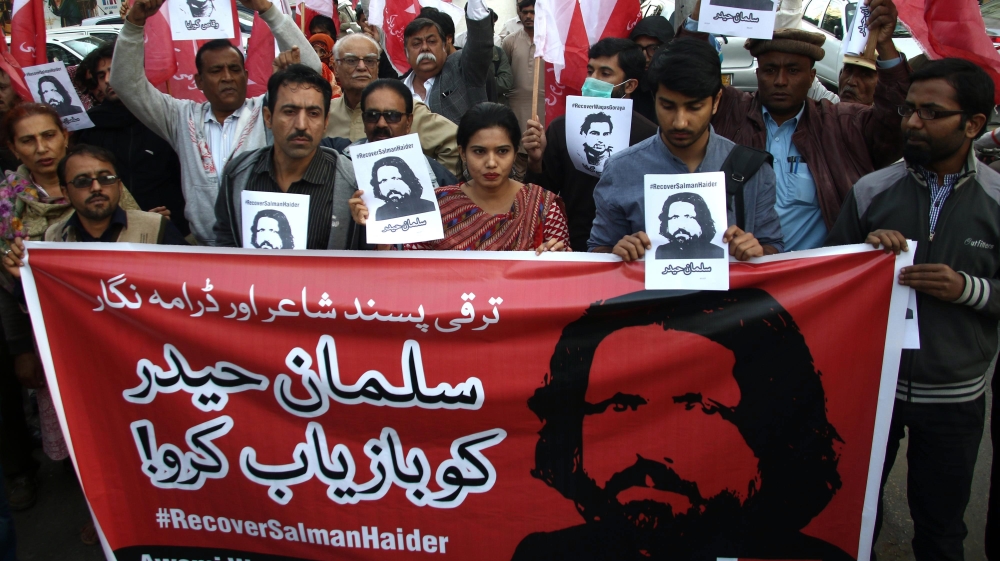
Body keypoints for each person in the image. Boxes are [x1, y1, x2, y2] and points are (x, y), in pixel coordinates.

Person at [513, 289, 852, 560]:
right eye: (620, 408)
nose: (646, 450)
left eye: (696, 409)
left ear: (774, 439)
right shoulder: (544, 555)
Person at [825, 58, 998, 561]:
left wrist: (965, 288)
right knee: (856, 515)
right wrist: (864, 259)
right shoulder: (871, 189)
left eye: (930, 112)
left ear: (973, 124)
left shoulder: (996, 199)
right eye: (908, 109)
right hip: (873, 391)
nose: (912, 123)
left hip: (955, 397)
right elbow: (830, 280)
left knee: (941, 528)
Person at [685, 0, 909, 252]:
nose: (781, 81)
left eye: (792, 70)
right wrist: (697, 20)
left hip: (816, 280)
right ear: (758, 75)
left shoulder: (842, 124)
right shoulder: (728, 111)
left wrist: (886, 47)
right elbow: (689, 78)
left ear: (812, 77)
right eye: (770, 70)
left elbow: (896, 122)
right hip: (738, 273)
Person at [111, 0, 323, 246]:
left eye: (235, 69)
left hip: (263, 244)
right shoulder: (180, 117)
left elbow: (312, 70)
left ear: (246, 75)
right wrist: (134, 24)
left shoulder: (267, 111)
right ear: (198, 81)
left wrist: (268, 10)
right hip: (204, 248)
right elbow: (127, 84)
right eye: (216, 71)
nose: (227, 78)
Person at [588, 39, 782, 261]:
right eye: (668, 106)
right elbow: (597, 249)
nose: (680, 122)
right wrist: (617, 252)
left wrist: (758, 252)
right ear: (654, 100)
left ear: (716, 101)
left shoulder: (754, 170)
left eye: (694, 107)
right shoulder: (620, 170)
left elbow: (773, 246)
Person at [350, 102, 570, 253]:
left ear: (515, 151)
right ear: (462, 153)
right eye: (479, 151)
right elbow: (408, 271)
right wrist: (380, 234)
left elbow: (562, 278)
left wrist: (562, 257)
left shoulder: (542, 206)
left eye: (502, 151)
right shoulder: (438, 205)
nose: (491, 162)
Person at [524, 38, 657, 252]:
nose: (593, 80)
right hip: (570, 247)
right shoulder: (561, 127)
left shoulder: (649, 136)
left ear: (630, 85)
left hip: (629, 251)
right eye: (590, 71)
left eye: (605, 74)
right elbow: (541, 196)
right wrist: (535, 160)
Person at [213, 65, 357, 250]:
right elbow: (226, 242)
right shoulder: (238, 174)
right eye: (289, 112)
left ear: (325, 122)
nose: (301, 125)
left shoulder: (350, 182)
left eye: (313, 114)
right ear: (268, 117)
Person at [74, 41, 191, 238]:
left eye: (115, 70)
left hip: (170, 229)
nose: (109, 80)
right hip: (114, 234)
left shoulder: (164, 117)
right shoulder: (91, 127)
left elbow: (184, 176)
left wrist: (171, 215)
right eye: (101, 76)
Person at [317, 35, 461, 176]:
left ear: (377, 66)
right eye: (351, 60)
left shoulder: (404, 110)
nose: (361, 67)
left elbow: (453, 142)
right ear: (335, 67)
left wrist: (434, 187)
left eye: (369, 60)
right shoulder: (323, 112)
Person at [323, 78, 457, 191]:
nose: (381, 124)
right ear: (364, 121)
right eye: (372, 115)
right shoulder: (341, 161)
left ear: (408, 122)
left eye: (392, 116)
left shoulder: (435, 175)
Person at [402, 0, 493, 124]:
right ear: (406, 52)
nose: (424, 48)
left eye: (432, 41)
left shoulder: (462, 70)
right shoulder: (397, 90)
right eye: (416, 43)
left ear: (445, 46)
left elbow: (480, 44)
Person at [502, 0, 544, 132]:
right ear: (519, 13)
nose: (528, 16)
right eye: (525, 12)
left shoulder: (549, 42)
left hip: (544, 103)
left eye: (533, 12)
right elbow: (504, 73)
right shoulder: (510, 41)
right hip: (516, 103)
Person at [628, 14, 675, 122]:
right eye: (638, 48)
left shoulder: (681, 85)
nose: (645, 57)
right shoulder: (629, 88)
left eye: (653, 49)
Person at [654, 192, 725, 259]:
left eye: (688, 217)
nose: (680, 225)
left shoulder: (718, 253)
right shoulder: (661, 252)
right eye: (674, 217)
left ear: (703, 222)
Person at [370, 156, 436, 219]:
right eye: (383, 181)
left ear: (410, 180)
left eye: (396, 179)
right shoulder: (380, 212)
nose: (391, 187)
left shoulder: (429, 206)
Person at [308, 33, 343, 98]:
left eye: (322, 52)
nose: (318, 56)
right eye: (314, 51)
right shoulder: (305, 73)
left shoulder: (340, 73)